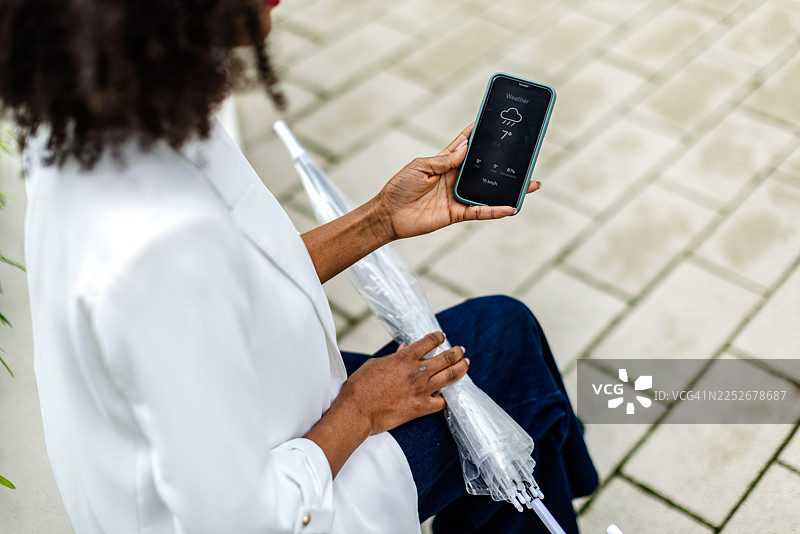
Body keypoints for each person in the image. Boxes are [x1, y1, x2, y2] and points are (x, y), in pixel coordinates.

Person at [2, 1, 598, 532]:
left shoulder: (97, 112)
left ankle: (559, 470)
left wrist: (380, 219)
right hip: (292, 491)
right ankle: (564, 473)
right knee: (511, 358)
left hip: (261, 417)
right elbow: (238, 522)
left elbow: (243, 283)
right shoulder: (161, 242)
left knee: (510, 371)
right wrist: (360, 409)